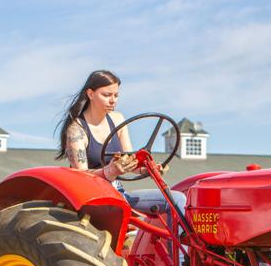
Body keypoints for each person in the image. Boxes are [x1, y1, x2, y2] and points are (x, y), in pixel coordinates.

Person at [55, 70, 185, 217]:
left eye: (116, 95)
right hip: (90, 198)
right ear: (90, 94)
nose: (113, 100)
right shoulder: (76, 129)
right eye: (106, 95)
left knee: (178, 200)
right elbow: (81, 175)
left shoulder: (117, 120)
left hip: (117, 193)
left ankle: (176, 241)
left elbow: (130, 161)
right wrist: (110, 171)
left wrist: (147, 169)